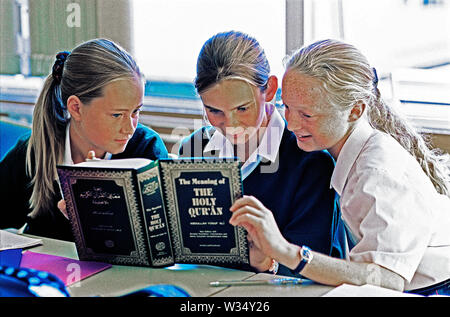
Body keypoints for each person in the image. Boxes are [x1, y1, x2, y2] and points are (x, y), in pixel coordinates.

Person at [229, 39, 450, 295]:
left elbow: (387, 280)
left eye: (307, 115)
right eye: (286, 107)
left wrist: (286, 251)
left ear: (355, 111)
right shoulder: (346, 155)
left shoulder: (377, 172)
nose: (290, 125)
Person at [179, 31, 344, 276]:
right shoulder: (194, 148)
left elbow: (318, 271)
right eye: (214, 111)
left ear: (269, 90)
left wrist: (267, 262)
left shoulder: (311, 161)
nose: (231, 124)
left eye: (242, 108)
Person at [0, 38, 168, 241]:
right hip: (51, 270)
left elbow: (162, 240)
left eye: (135, 112)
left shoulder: (146, 148)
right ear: (76, 108)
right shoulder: (34, 152)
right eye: (116, 115)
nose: (129, 128)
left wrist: (102, 222)